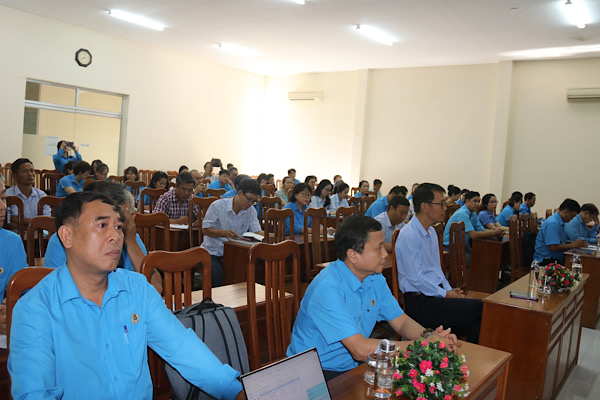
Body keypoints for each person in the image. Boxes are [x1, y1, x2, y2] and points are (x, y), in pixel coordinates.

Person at [9, 192, 244, 399]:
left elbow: (182, 348)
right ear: (66, 236)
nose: (115, 236)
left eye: (119, 227)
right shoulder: (35, 309)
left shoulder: (137, 289)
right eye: (102, 226)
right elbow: (35, 392)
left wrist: (236, 392)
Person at [286, 214, 458, 379]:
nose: (385, 254)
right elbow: (359, 349)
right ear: (353, 254)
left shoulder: (374, 278)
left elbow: (401, 321)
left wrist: (430, 337)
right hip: (315, 372)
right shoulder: (328, 288)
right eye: (378, 248)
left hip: (352, 367)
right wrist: (424, 347)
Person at [396, 183, 484, 343]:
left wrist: (450, 292)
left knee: (477, 323)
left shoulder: (432, 232)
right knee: (480, 308)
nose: (445, 208)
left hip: (434, 296)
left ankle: (465, 362)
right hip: (419, 302)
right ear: (425, 206)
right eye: (441, 204)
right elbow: (416, 279)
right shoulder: (409, 235)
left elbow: (437, 270)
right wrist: (446, 294)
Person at [44, 181, 162, 291]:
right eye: (103, 224)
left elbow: (155, 286)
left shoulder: (127, 234)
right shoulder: (65, 239)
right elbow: (61, 291)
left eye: (120, 220)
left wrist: (131, 243)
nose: (114, 234)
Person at [201, 178, 262, 286]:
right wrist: (223, 233)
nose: (250, 203)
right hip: (212, 252)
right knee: (217, 275)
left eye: (254, 201)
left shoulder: (251, 210)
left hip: (235, 254)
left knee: (249, 273)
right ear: (240, 193)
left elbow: (256, 231)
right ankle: (211, 301)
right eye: (249, 199)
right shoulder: (217, 206)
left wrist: (269, 235)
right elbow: (205, 230)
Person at [0, 178, 28, 334]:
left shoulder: (11, 242)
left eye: (3, 198)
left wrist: (12, 309)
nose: (3, 206)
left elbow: (23, 291)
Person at [534, 199, 588, 264]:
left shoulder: (560, 222)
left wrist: (574, 243)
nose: (572, 219)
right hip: (546, 261)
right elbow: (553, 247)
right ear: (566, 212)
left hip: (555, 259)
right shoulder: (553, 223)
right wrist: (573, 245)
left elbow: (560, 241)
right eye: (572, 216)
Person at [6, 158, 50, 230]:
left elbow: (46, 222)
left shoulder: (42, 196)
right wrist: (34, 224)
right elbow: (7, 225)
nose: (30, 174)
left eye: (32, 171)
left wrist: (16, 219)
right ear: (14, 175)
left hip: (38, 239)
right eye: (24, 171)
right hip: (15, 237)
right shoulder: (7, 195)